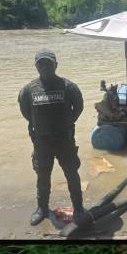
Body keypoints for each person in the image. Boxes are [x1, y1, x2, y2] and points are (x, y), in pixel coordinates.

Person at [18, 49, 86, 225]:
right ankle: (42, 208)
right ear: (36, 66)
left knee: (72, 173)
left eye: (48, 63)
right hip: (42, 141)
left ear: (56, 65)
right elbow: (26, 112)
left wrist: (65, 123)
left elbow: (78, 108)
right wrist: (43, 126)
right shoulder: (28, 90)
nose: (45, 67)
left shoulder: (69, 86)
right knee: (42, 175)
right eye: (41, 64)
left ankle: (78, 208)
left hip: (65, 140)